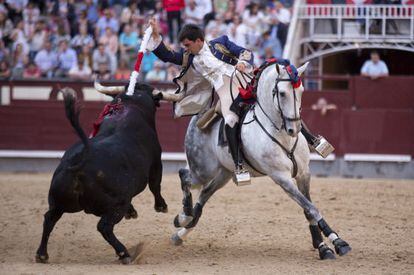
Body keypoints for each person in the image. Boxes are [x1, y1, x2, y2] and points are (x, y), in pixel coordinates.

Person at [147, 18, 254, 183]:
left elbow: (245, 52)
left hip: (244, 79)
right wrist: (155, 33)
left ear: (199, 41)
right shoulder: (190, 58)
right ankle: (239, 166)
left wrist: (241, 61)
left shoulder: (221, 42)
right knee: (230, 120)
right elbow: (167, 55)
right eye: (184, 46)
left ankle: (307, 137)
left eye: (188, 45)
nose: (186, 49)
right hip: (224, 91)